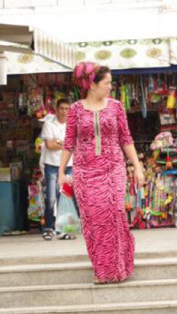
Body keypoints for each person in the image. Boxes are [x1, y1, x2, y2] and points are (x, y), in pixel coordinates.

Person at [59, 62, 145, 284]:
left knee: (114, 214)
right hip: (85, 171)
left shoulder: (116, 107)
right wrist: (61, 172)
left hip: (113, 168)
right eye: (107, 83)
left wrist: (137, 166)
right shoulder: (76, 110)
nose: (110, 86)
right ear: (92, 84)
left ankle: (119, 267)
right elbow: (69, 142)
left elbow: (125, 138)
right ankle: (103, 270)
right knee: (94, 220)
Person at [40, 98, 74, 241]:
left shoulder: (73, 125)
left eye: (67, 109)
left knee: (65, 197)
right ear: (56, 109)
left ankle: (64, 229)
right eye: (61, 108)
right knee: (51, 198)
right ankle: (49, 227)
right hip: (52, 165)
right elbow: (49, 145)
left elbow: (75, 144)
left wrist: (59, 142)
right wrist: (66, 144)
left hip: (68, 165)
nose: (64, 112)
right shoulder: (49, 124)